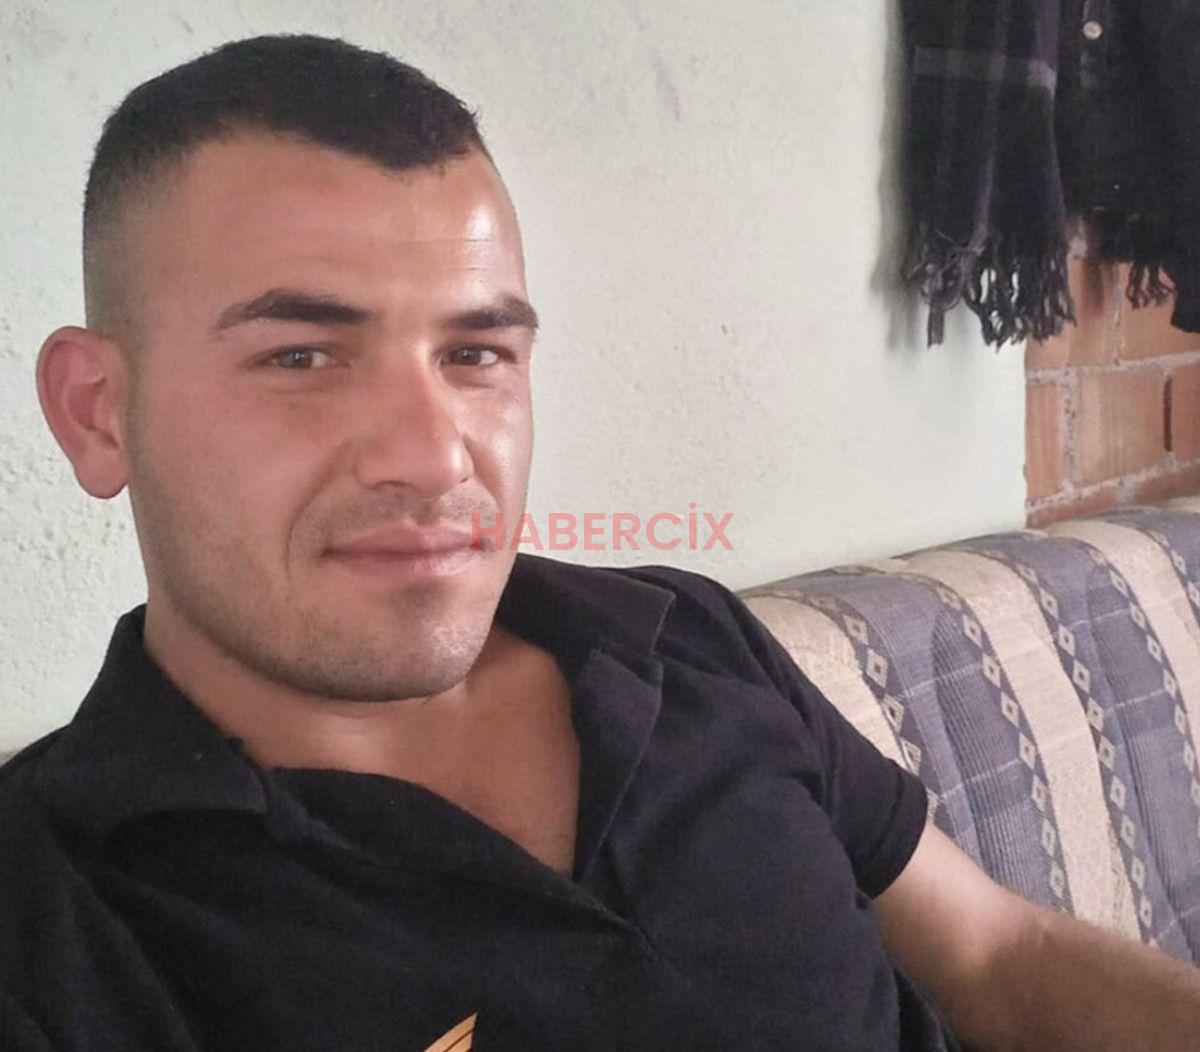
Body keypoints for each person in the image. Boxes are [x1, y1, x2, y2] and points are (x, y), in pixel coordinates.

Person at [1, 33, 1197, 1051]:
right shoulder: (58, 922)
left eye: (477, 353)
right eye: (301, 356)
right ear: (98, 413)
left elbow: (1000, 956)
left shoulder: (681, 634)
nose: (435, 454)